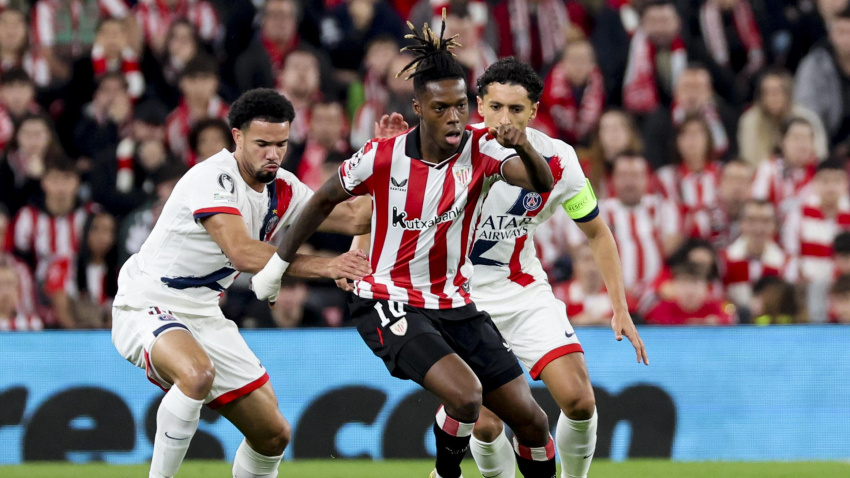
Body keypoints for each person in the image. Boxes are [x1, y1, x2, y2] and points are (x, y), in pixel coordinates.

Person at [253, 18, 561, 478]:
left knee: (533, 422)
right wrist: (279, 264)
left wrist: (526, 149)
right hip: (387, 298)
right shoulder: (383, 155)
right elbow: (321, 200)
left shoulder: (484, 149)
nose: (454, 117)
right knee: (466, 395)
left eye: (460, 105)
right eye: (441, 108)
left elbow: (541, 182)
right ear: (418, 106)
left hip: (456, 302)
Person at [110, 88, 372, 478]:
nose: (273, 154)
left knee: (273, 434)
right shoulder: (213, 178)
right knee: (197, 374)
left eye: (281, 144)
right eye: (262, 144)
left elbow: (355, 218)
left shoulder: (282, 187)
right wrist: (327, 266)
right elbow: (242, 253)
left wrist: (385, 161)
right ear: (237, 138)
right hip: (148, 301)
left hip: (202, 313)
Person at [460, 57, 647, 478]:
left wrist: (620, 306)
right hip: (459, 301)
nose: (503, 119)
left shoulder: (559, 162)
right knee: (484, 423)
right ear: (479, 105)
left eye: (515, 109)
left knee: (580, 401)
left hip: (523, 292)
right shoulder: (453, 147)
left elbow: (598, 233)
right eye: (494, 107)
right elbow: (385, 200)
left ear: (534, 112)